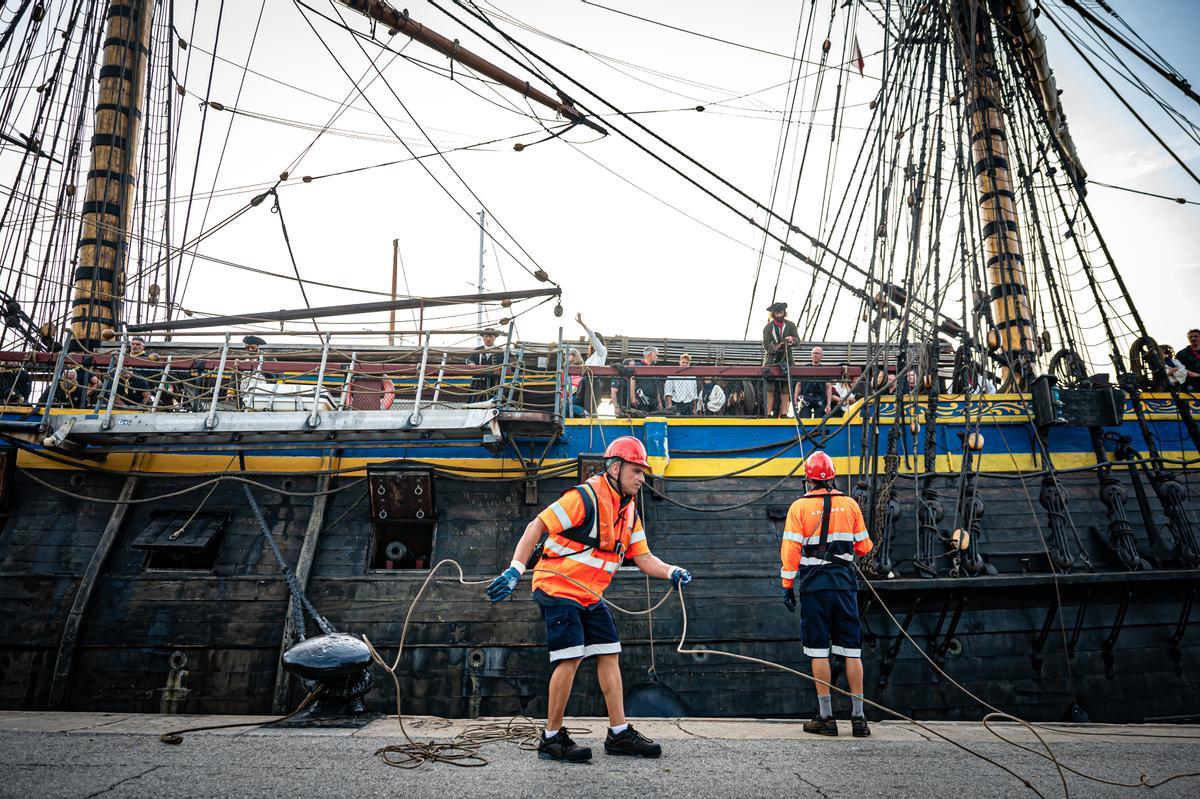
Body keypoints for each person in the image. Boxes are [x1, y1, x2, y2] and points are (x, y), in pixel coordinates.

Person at [486, 436, 692, 762]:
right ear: (614, 467)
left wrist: (671, 572)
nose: (642, 477)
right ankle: (552, 738)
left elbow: (644, 558)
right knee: (570, 657)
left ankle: (619, 734)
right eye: (636, 470)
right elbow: (536, 526)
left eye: (643, 472)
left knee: (609, 653)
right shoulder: (584, 498)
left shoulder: (630, 513)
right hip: (557, 587)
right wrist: (514, 570)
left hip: (590, 594)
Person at [780, 450, 873, 738]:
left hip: (814, 588)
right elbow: (864, 547)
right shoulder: (851, 505)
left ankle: (826, 717)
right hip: (844, 585)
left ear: (807, 479)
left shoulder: (799, 508)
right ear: (832, 478)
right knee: (851, 650)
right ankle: (859, 719)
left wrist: (787, 586)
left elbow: (790, 551)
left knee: (819, 650)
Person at [761, 302, 799, 418]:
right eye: (777, 312)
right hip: (771, 361)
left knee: (786, 389)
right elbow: (766, 345)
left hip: (787, 360)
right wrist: (777, 347)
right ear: (773, 314)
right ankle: (768, 414)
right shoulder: (768, 327)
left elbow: (798, 341)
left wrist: (792, 339)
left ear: (784, 313)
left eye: (781, 312)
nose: (779, 314)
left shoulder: (791, 325)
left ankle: (783, 413)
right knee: (770, 389)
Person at [467, 329, 504, 401]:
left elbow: (507, 365)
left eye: (491, 336)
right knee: (474, 403)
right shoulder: (477, 350)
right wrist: (471, 363)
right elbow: (469, 360)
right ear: (483, 338)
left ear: (495, 338)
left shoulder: (500, 351)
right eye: (486, 336)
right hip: (478, 383)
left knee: (493, 404)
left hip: (494, 383)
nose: (488, 339)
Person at [795, 346, 831, 419]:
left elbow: (828, 388)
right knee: (804, 420)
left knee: (819, 421)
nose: (814, 355)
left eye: (817, 353)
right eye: (813, 353)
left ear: (821, 356)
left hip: (820, 399)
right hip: (806, 399)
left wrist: (828, 404)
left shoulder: (825, 370)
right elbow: (798, 385)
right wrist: (795, 399)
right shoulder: (804, 368)